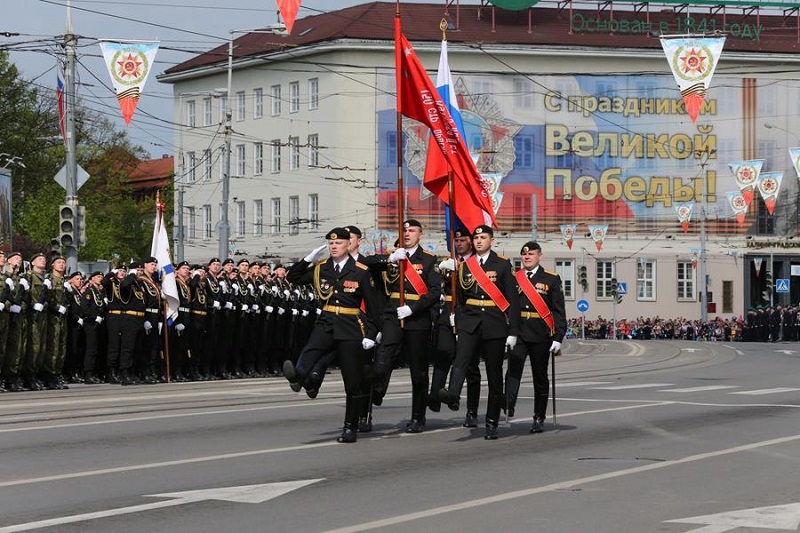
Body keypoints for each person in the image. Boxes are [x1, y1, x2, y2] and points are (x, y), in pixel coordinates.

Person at [284, 227, 381, 443]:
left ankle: (350, 427)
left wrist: (371, 334)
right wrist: (308, 258)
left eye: (338, 243)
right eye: (331, 244)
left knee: (352, 381)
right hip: (326, 322)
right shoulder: (321, 269)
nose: (334, 247)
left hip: (350, 326)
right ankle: (297, 376)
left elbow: (374, 308)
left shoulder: (360, 270)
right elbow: (293, 277)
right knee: (310, 351)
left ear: (348, 244)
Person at [438, 225, 520, 440]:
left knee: (494, 375)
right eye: (476, 238)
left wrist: (513, 330)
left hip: (494, 324)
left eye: (483, 237)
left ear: (491, 240)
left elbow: (513, 300)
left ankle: (491, 422)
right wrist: (458, 316)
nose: (478, 241)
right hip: (470, 321)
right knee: (461, 358)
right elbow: (460, 297)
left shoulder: (502, 265)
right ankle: (453, 393)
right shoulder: (465, 266)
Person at [371, 220, 441, 433]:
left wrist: (413, 308)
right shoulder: (392, 257)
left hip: (416, 317)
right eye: (404, 230)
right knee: (384, 354)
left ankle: (418, 417)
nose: (407, 234)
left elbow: (434, 291)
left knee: (418, 372)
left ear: (421, 234)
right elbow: (367, 263)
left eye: (412, 231)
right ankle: (378, 389)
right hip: (393, 313)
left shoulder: (429, 260)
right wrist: (390, 258)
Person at [503, 241, 567, 433]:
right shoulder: (515, 278)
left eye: (531, 254)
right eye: (524, 254)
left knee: (540, 378)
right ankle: (508, 404)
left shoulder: (551, 279)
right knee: (513, 371)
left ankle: (539, 416)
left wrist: (558, 337)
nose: (527, 257)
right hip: (519, 332)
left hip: (540, 334)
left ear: (540, 256)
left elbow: (558, 311)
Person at [429, 227, 483, 428]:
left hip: (468, 314)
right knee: (443, 354)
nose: (459, 243)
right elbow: (434, 282)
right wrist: (444, 270)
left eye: (463, 240)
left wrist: (459, 270)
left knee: (470, 365)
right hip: (448, 313)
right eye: (456, 240)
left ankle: (471, 411)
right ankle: (436, 394)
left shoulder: (478, 263)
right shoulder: (447, 261)